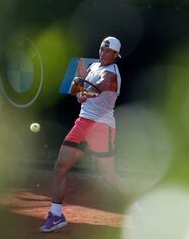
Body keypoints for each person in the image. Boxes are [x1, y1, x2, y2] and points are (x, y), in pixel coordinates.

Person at [40, 36, 130, 233]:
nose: (103, 53)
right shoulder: (94, 67)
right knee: (60, 166)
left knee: (109, 176)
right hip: (82, 123)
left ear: (115, 55)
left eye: (108, 51)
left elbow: (97, 89)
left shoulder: (112, 74)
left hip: (101, 127)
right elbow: (75, 91)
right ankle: (56, 215)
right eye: (101, 49)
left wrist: (82, 83)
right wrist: (79, 78)